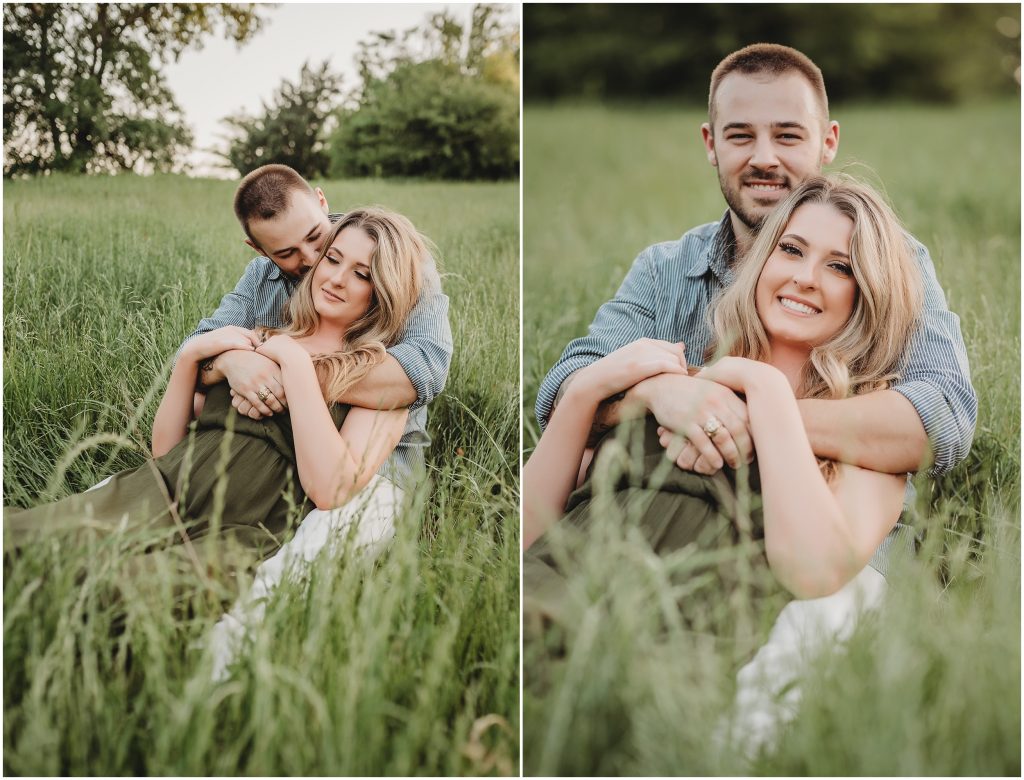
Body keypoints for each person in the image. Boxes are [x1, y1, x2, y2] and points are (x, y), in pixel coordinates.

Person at [530, 43, 976, 753]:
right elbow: (568, 386)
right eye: (741, 135)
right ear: (711, 145)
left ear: (827, 142)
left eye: (788, 135)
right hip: (649, 525)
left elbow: (942, 419)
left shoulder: (893, 259)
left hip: (835, 537)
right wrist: (662, 393)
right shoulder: (669, 270)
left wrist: (753, 405)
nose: (764, 156)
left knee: (798, 638)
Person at [5, 208, 429, 643]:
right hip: (159, 492)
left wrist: (296, 362)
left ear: (383, 291)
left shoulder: (381, 380)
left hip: (242, 531)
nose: (336, 278)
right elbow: (167, 448)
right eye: (333, 259)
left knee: (111, 591)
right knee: (17, 545)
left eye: (361, 273)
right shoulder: (257, 336)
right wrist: (191, 358)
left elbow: (330, 488)